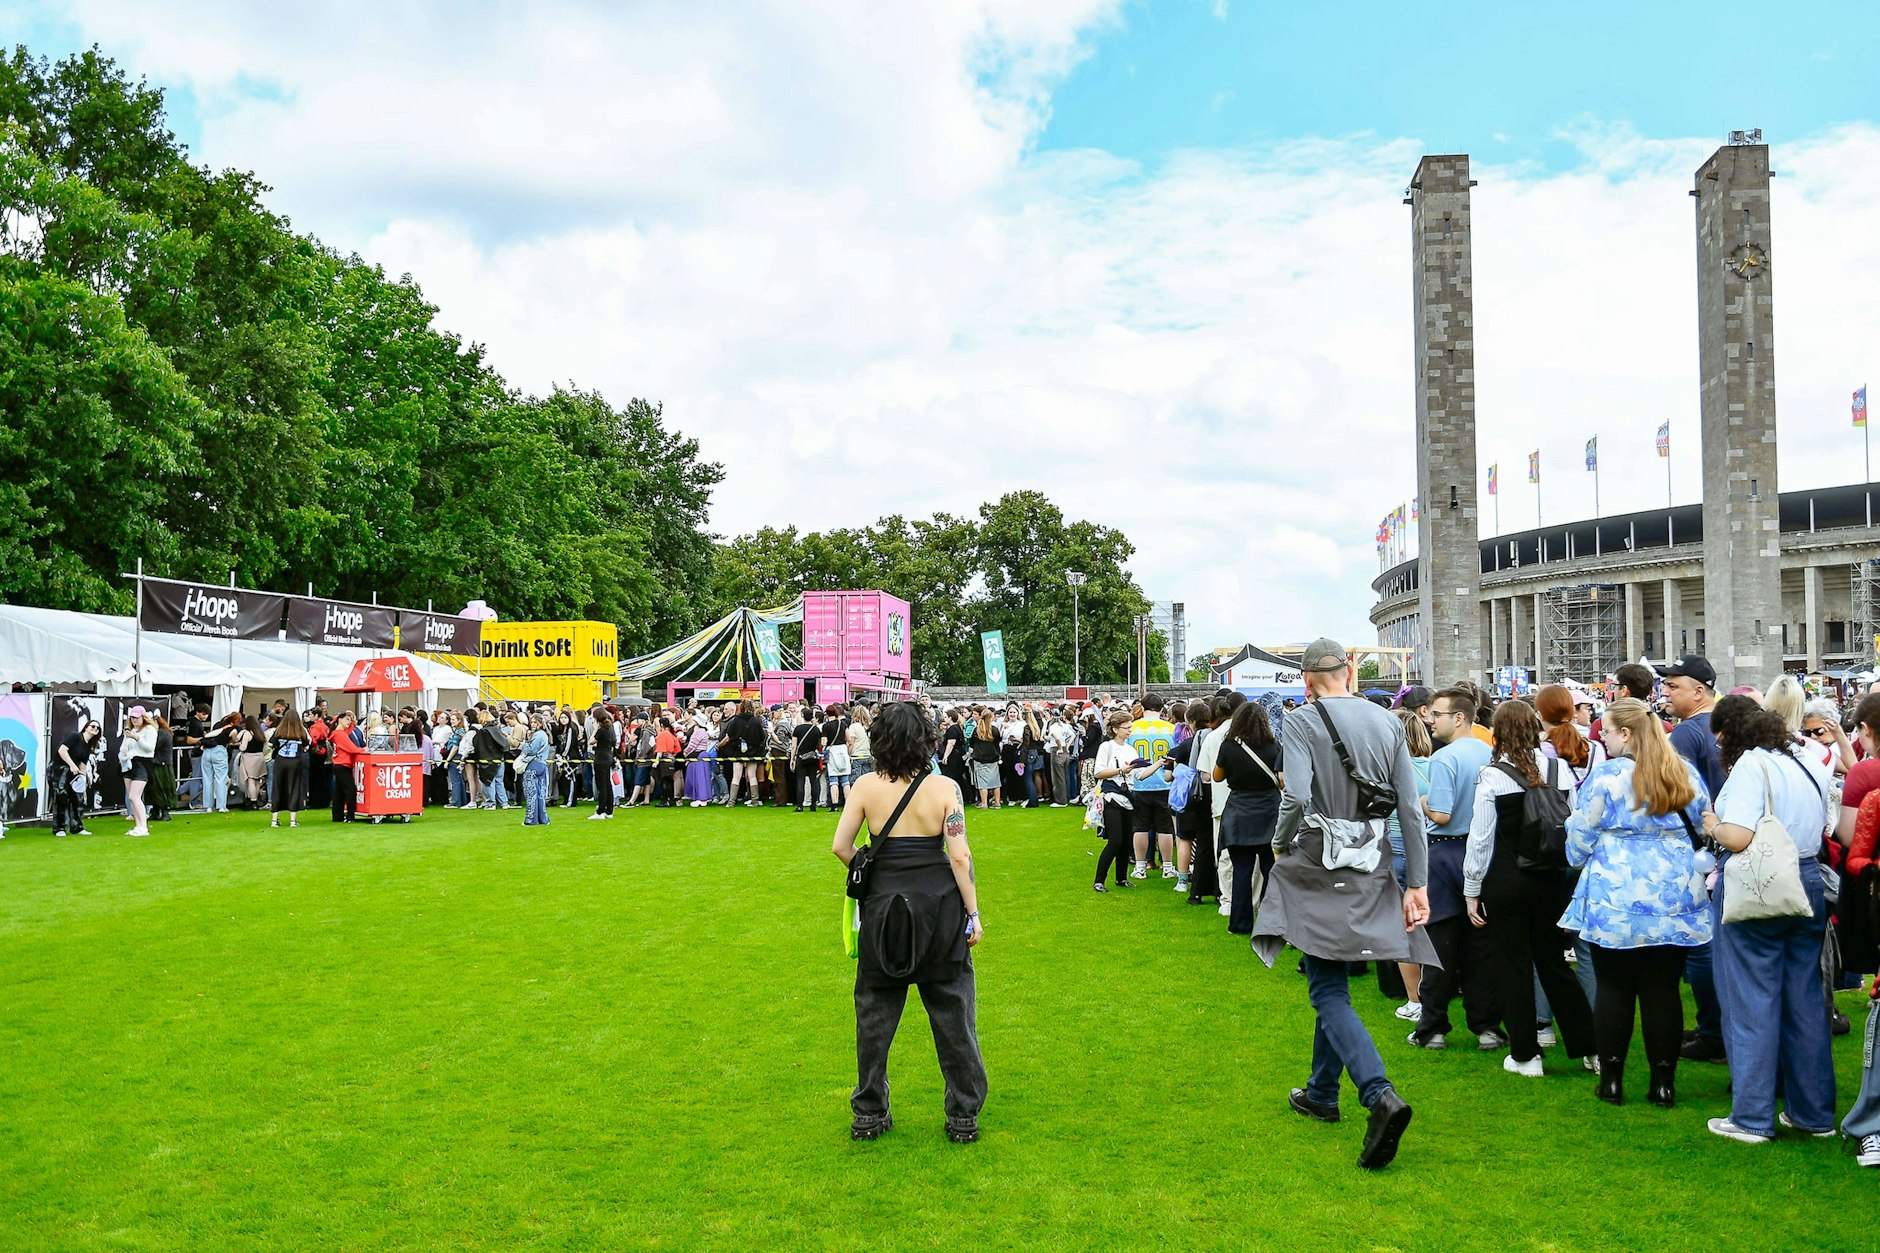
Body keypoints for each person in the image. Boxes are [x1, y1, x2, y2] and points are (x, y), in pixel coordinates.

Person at [1251, 638, 1433, 1171]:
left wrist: (1280, 842)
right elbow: (1411, 810)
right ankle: (1321, 1091)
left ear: (1307, 680)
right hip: (1374, 858)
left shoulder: (1304, 719)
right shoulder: (1388, 721)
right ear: (1349, 669)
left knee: (1326, 985)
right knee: (1329, 969)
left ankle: (1378, 1093)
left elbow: (1298, 795)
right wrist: (1416, 880)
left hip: (1320, 861)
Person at [831, 701, 986, 1143]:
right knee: (954, 1015)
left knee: (874, 1016)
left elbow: (842, 846)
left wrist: (873, 868)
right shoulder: (943, 788)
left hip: (884, 908)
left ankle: (869, 1111)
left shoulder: (864, 786)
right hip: (939, 906)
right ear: (927, 739)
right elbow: (959, 855)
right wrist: (973, 913)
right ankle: (963, 1114)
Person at [1562, 697, 1712, 1107]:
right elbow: (1705, 823)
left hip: (1617, 892)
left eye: (1606, 731)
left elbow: (1580, 834)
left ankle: (1612, 1080)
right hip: (1675, 890)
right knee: (1662, 989)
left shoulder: (1608, 776)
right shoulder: (1683, 772)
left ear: (1625, 733)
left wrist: (1577, 857)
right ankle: (1663, 1084)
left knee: (1614, 986)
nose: (1602, 738)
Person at [1701, 695, 1836, 1144]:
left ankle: (1752, 1116)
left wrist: (1712, 825)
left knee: (1749, 1000)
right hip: (1808, 877)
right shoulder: (1807, 761)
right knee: (1805, 1001)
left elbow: (1738, 837)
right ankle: (1812, 1113)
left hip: (1760, 883)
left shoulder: (1751, 766)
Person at [1461, 700, 1595, 1078]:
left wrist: (1472, 889)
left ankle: (1526, 1053)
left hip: (1507, 877)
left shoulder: (1493, 776)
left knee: (1512, 966)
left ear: (1498, 733)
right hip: (1550, 877)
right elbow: (1572, 826)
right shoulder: (1561, 770)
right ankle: (1589, 1047)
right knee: (1554, 963)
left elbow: (1481, 839)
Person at [1414, 686, 1504, 1052]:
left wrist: (1419, 802)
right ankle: (1487, 1027)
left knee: (1439, 942)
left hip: (1445, 852)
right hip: (1484, 851)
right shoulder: (1490, 753)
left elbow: (1441, 813)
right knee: (1480, 944)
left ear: (1459, 717)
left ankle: (1433, 1027)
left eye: (1436, 714)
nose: (1430, 720)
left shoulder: (1444, 758)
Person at [1659, 654, 1726, 1066]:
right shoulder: (1722, 725)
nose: (1665, 692)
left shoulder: (1685, 734)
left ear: (1698, 691)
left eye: (1673, 686)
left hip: (1697, 848)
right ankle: (1716, 1027)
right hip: (1726, 841)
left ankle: (1713, 1031)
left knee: (1700, 944)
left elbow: (1669, 796)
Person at [1213, 699, 1284, 935]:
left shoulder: (1229, 747)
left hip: (1239, 811)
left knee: (1241, 871)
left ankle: (1240, 924)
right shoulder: (1274, 747)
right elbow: (1282, 780)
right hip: (1269, 811)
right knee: (1271, 870)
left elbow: (1217, 777)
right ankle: (1271, 920)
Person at [1387, 709, 1435, 1024]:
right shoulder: (1437, 768)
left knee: (1404, 929)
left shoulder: (1389, 772)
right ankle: (1437, 989)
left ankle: (1415, 999)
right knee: (1433, 926)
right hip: (1432, 852)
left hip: (1397, 851)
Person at [1126, 696, 1179, 880]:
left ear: (1142, 707)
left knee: (1140, 827)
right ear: (1162, 708)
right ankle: (1167, 866)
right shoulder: (1171, 729)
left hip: (1140, 783)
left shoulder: (1133, 728)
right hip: (1164, 782)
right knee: (1165, 828)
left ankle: (1140, 866)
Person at [1170, 698, 1216, 899]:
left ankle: (1190, 885)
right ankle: (1216, 889)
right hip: (1217, 793)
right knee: (1212, 842)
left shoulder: (1193, 742)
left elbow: (1189, 770)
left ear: (1193, 722)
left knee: (1190, 839)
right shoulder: (1219, 737)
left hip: (1198, 795)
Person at [1092, 710, 1140, 892]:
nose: (1129, 730)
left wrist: (1158, 765)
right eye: (1126, 727)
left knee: (1126, 841)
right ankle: (1099, 880)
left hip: (1128, 797)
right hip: (1112, 797)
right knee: (1115, 841)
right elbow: (1098, 773)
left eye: (1130, 727)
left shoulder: (1130, 749)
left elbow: (1138, 774)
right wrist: (1120, 771)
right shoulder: (1107, 747)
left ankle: (1121, 878)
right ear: (1115, 728)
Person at [49, 717, 101, 837]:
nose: (95, 729)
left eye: (97, 728)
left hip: (74, 773)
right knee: (61, 797)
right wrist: (71, 765)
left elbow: (83, 766)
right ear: (86, 727)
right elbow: (62, 750)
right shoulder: (75, 736)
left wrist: (82, 782)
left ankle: (77, 827)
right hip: (59, 769)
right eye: (92, 726)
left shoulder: (88, 746)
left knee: (77, 799)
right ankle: (59, 828)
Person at [118, 705, 157, 837]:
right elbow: (124, 745)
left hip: (143, 763)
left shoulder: (150, 729)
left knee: (134, 796)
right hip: (129, 763)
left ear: (143, 717)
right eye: (132, 717)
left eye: (136, 717)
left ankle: (143, 826)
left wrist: (136, 738)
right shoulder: (131, 730)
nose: (134, 720)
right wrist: (124, 751)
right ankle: (138, 825)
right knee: (132, 797)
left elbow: (150, 748)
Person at [268, 708, 310, 828]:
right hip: (295, 762)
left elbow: (271, 744)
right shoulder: (300, 731)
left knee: (277, 787)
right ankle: (292, 820)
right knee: (294, 788)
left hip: (280, 762)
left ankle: (274, 820)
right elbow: (306, 746)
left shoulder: (279, 730)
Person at [328, 711, 366, 822]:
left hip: (339, 764)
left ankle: (338, 816)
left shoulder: (338, 733)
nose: (349, 722)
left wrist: (352, 721)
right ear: (340, 720)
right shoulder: (340, 734)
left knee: (339, 792)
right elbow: (352, 749)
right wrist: (363, 750)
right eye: (347, 720)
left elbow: (350, 730)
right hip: (342, 765)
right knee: (351, 790)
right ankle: (350, 816)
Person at [520, 713, 553, 826]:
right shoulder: (545, 735)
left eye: (535, 722)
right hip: (542, 764)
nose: (532, 724)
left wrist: (524, 742)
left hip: (533, 764)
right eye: (532, 722)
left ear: (540, 723)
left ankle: (531, 819)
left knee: (531, 794)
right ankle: (542, 818)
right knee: (540, 794)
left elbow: (530, 750)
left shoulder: (538, 735)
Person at [146, 713, 177, 823]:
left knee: (162, 788)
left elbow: (152, 746)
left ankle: (165, 812)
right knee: (153, 788)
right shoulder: (161, 733)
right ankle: (155, 812)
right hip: (156, 764)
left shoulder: (163, 734)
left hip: (162, 765)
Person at [588, 706, 618, 820]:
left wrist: (595, 728)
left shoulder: (601, 730)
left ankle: (600, 811)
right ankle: (609, 811)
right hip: (608, 757)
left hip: (600, 758)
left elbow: (591, 741)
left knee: (602, 786)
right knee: (608, 784)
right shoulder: (610, 728)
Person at [969, 712, 1001, 810]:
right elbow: (997, 742)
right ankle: (997, 803)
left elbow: (971, 743)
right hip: (993, 757)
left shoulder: (977, 730)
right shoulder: (994, 730)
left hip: (979, 758)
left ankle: (984, 803)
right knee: (995, 781)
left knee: (982, 782)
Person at [846, 705, 874, 784]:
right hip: (867, 756)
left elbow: (851, 742)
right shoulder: (868, 727)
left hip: (856, 757)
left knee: (855, 782)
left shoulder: (853, 726)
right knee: (866, 782)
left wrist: (848, 754)